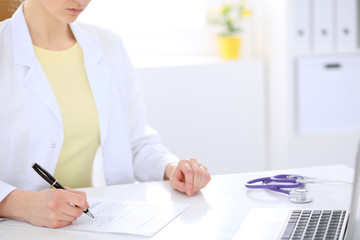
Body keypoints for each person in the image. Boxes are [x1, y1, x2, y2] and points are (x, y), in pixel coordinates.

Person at [0, 0, 211, 229]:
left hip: (88, 225)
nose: (80, 1)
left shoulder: (108, 45)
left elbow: (136, 143)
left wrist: (171, 168)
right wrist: (18, 203)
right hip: (16, 228)